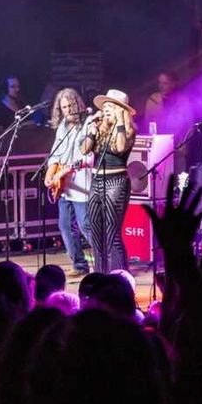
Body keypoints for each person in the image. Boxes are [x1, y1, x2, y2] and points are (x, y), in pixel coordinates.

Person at [81, 89, 137, 273]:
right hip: (96, 180)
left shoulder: (128, 131)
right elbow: (84, 150)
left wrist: (119, 122)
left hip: (116, 182)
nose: (105, 109)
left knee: (112, 235)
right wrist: (92, 129)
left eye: (111, 106)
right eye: (104, 106)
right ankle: (100, 276)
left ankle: (119, 278)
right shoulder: (99, 128)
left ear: (121, 110)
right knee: (96, 234)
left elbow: (120, 147)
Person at [46, 87, 94, 274]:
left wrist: (62, 172)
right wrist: (50, 173)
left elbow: (86, 157)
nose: (68, 111)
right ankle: (79, 265)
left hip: (81, 184)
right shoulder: (63, 127)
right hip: (65, 186)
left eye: (70, 106)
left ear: (78, 104)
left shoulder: (88, 123)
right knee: (65, 226)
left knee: (86, 226)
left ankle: (107, 259)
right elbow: (56, 153)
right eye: (64, 107)